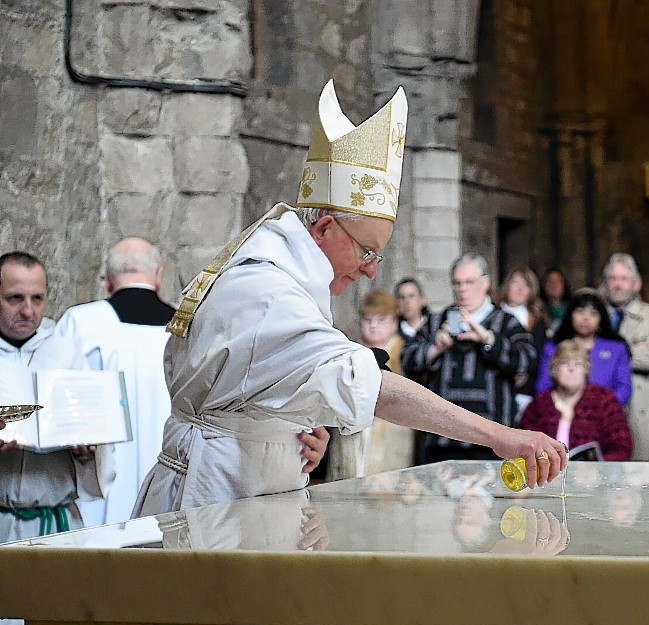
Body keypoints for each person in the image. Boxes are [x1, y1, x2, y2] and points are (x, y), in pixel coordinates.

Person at [132, 81, 565, 517]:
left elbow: (251, 389)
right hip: (213, 501)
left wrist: (291, 432)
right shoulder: (266, 292)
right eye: (367, 250)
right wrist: (498, 436)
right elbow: (373, 388)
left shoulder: (284, 276)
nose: (372, 270)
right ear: (324, 229)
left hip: (246, 495)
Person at [55, 237, 173, 526]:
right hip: (168, 484)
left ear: (107, 280)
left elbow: (55, 405)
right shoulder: (186, 329)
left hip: (99, 486)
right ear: (159, 277)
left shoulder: (81, 322)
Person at [0, 252, 114, 542]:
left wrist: (86, 451)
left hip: (56, 522)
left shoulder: (66, 353)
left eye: (37, 298)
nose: (28, 310)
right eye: (15, 298)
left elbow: (98, 448)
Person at [402, 252, 538, 464]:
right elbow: (407, 360)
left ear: (485, 282)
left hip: (493, 438)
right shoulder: (437, 321)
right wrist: (435, 348)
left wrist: (488, 338)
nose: (462, 289)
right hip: (443, 439)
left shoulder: (506, 322)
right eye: (456, 283)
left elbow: (526, 361)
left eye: (469, 282)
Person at [520, 340, 633, 461]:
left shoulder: (605, 400)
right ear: (554, 369)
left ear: (587, 369)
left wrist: (599, 467)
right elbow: (521, 444)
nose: (571, 368)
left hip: (595, 476)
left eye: (579, 364)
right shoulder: (539, 403)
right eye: (564, 363)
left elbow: (622, 447)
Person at [601, 253, 649, 461]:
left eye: (623, 279)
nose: (617, 284)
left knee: (643, 474)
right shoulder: (596, 315)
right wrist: (631, 349)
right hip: (603, 406)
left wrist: (606, 357)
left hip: (640, 409)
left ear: (636, 284)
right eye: (612, 278)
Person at [535, 289, 632, 407]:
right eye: (580, 311)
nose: (585, 318)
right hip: (560, 413)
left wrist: (603, 410)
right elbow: (543, 387)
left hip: (604, 415)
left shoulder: (617, 349)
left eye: (593, 313)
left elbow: (624, 389)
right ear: (570, 315)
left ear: (601, 319)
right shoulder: (553, 347)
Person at [357, 289, 414, 474]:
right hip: (359, 432)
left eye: (381, 320)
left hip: (395, 432)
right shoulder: (353, 351)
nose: (373, 326)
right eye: (368, 319)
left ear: (394, 323)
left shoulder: (406, 353)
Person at [497, 267, 548, 419]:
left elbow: (539, 354)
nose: (519, 288)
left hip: (525, 390)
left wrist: (524, 371)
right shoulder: (493, 315)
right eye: (516, 282)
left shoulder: (537, 321)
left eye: (525, 285)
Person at [394, 277, 429, 343]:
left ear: (422, 300)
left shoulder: (434, 328)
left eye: (411, 296)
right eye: (402, 297)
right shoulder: (392, 332)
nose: (407, 302)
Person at [541, 267, 571, 336]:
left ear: (564, 284)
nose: (553, 285)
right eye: (549, 281)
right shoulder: (538, 309)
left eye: (557, 281)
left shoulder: (572, 307)